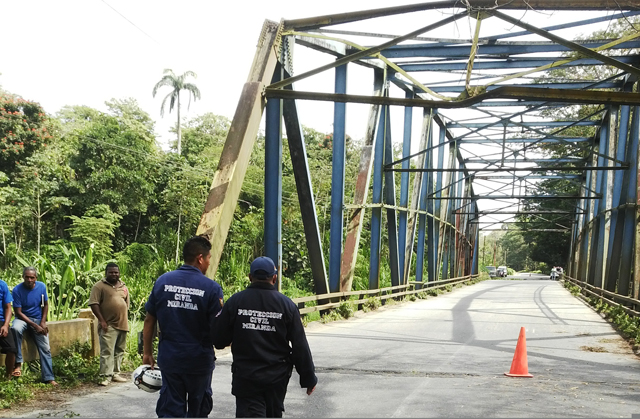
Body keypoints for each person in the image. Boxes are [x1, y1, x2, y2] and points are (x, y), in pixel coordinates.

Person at [213, 256, 317, 418]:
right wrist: (308, 378)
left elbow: (219, 340)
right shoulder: (287, 305)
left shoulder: (235, 302)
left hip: (246, 377)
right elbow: (299, 345)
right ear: (274, 278)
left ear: (250, 277)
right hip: (276, 378)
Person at [143, 235, 224, 418]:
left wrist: (147, 352)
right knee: (198, 408)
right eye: (209, 258)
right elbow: (217, 328)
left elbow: (149, 321)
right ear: (200, 258)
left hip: (170, 358)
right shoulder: (211, 288)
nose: (209, 263)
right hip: (199, 360)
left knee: (171, 407)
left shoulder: (163, 281)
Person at [11, 267, 57, 385]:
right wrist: (33, 325)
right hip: (22, 319)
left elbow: (45, 304)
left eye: (32, 277)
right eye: (27, 277)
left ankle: (48, 377)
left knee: (45, 347)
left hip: (37, 319)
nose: (29, 280)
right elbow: (18, 312)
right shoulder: (17, 290)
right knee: (15, 328)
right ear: (23, 277)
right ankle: (18, 363)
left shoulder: (41, 287)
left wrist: (42, 322)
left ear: (36, 278)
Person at [89, 262, 130, 386]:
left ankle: (115, 373)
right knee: (107, 351)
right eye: (111, 272)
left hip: (122, 325)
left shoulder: (123, 286)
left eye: (116, 272)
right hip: (108, 325)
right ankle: (105, 376)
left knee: (119, 350)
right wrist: (102, 321)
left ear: (119, 273)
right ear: (106, 273)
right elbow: (94, 304)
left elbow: (126, 304)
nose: (114, 274)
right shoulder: (99, 286)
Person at [0, 278, 17, 378]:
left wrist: (6, 325)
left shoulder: (2, 285)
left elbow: (8, 307)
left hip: (1, 321)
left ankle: (8, 376)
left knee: (11, 349)